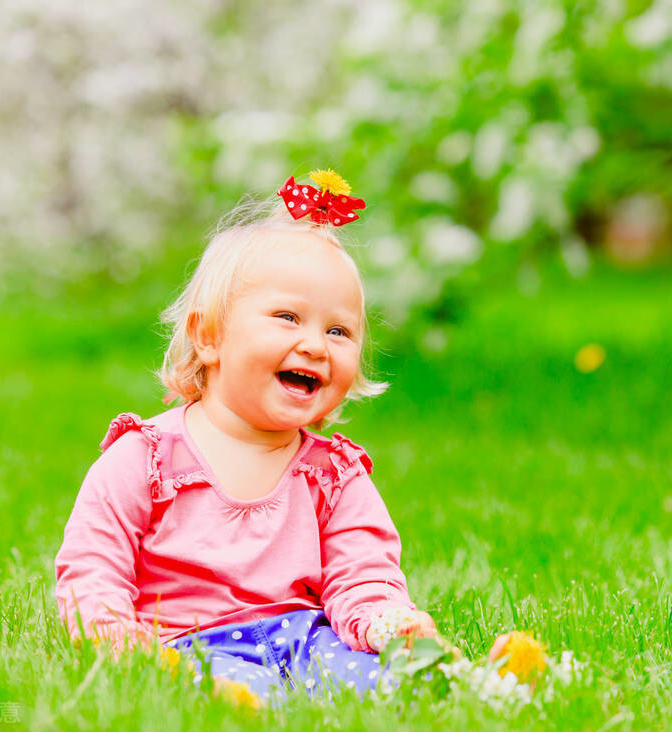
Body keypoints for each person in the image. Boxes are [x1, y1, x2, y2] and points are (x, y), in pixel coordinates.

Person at [55, 169, 437, 702]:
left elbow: (363, 570)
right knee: (228, 692)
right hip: (185, 642)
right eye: (287, 317)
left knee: (387, 684)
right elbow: (94, 565)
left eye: (338, 331)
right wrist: (116, 638)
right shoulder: (145, 460)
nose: (316, 345)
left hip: (307, 639)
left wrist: (385, 622)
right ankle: (239, 699)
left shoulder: (334, 476)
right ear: (208, 336)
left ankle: (490, 681)